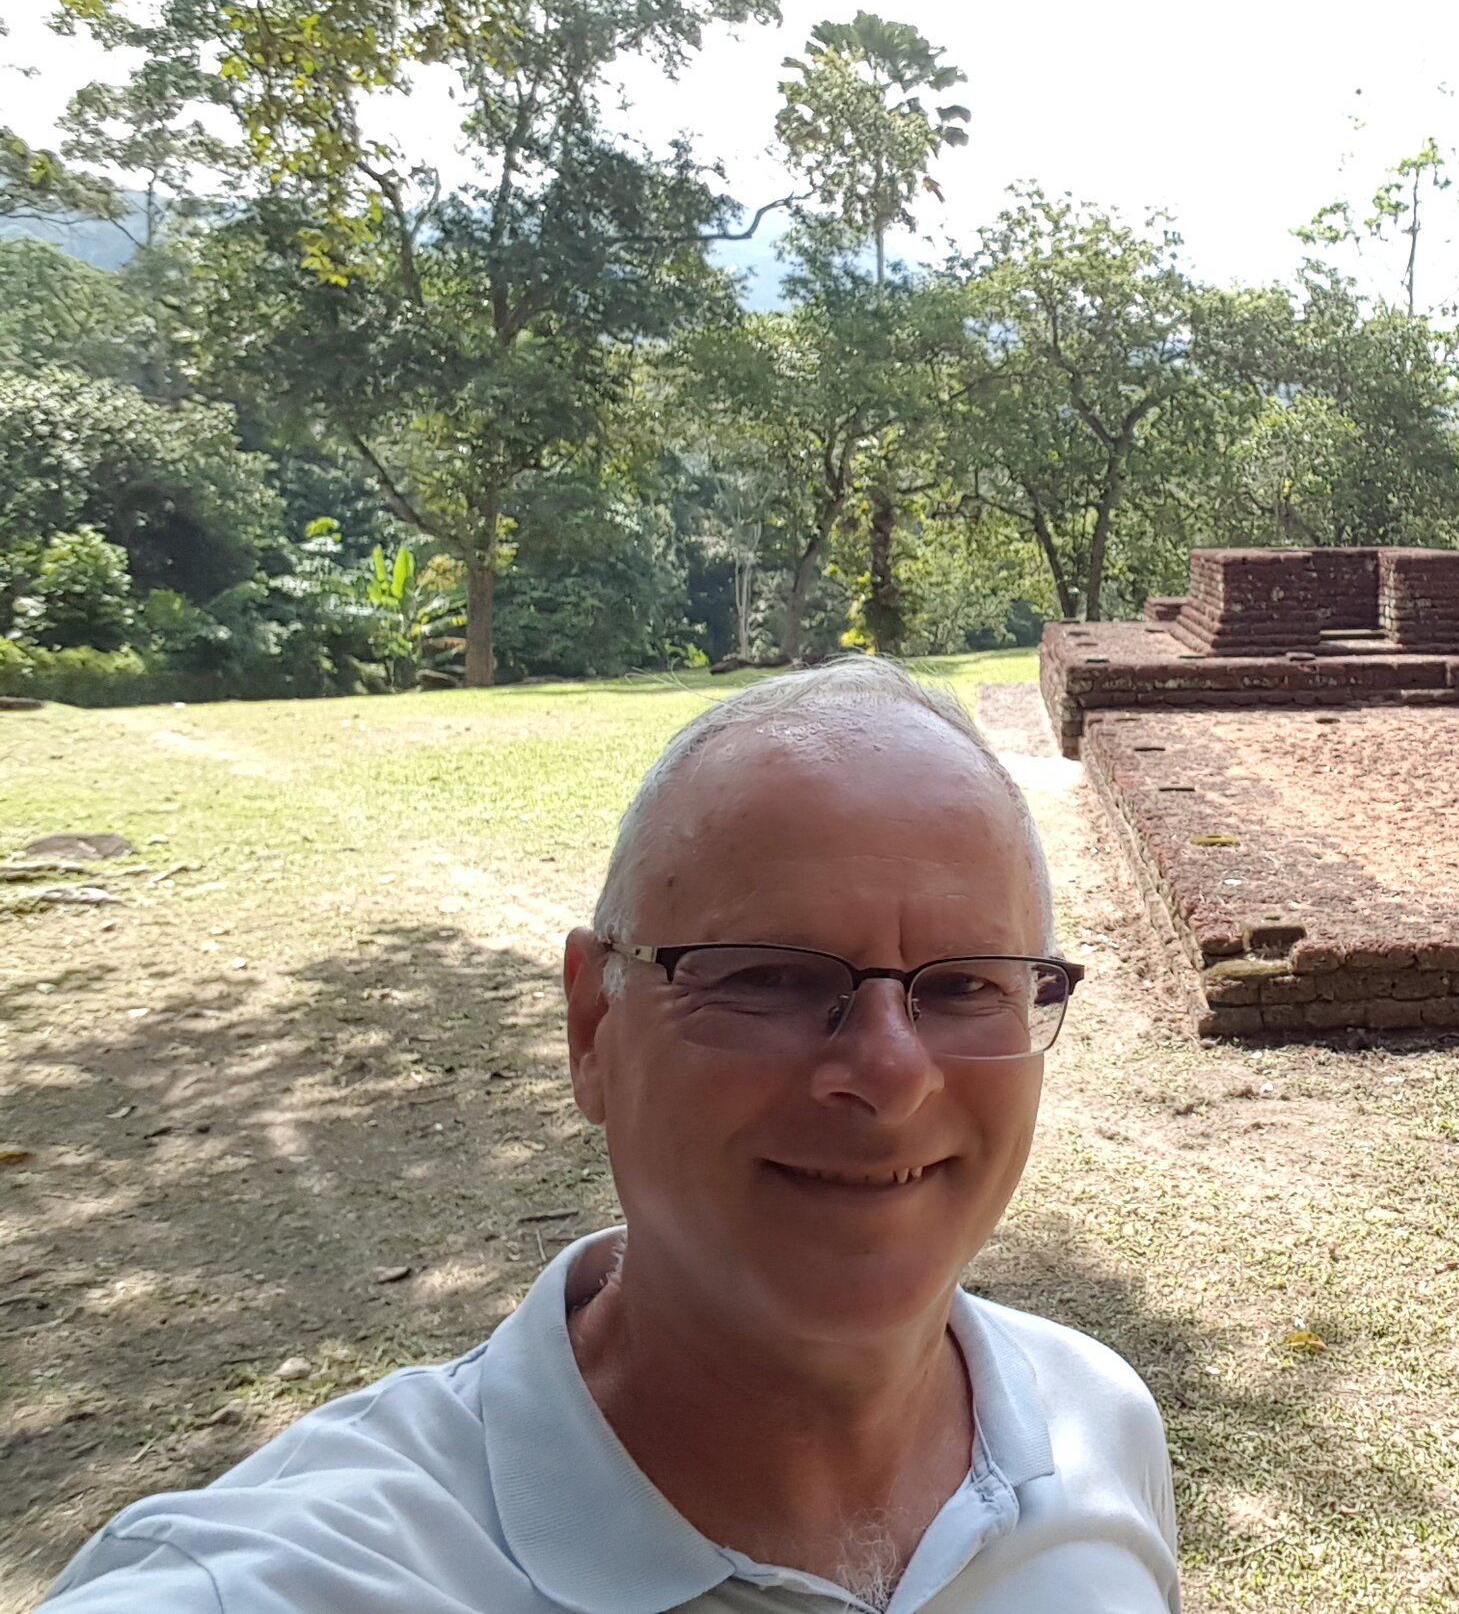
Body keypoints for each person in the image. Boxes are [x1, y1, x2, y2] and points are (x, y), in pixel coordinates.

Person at [43, 662, 1182, 1613]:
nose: (888, 1072)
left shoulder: (1092, 1424)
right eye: (769, 978)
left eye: (963, 986)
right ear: (594, 1025)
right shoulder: (294, 1579)